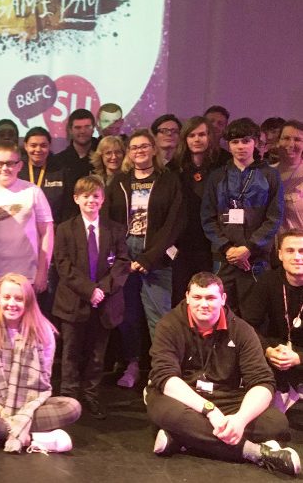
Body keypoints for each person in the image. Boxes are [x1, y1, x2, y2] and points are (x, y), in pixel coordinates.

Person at [146, 272, 300, 477]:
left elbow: (263, 382)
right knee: (165, 411)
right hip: (184, 399)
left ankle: (183, 438)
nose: (203, 304)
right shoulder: (170, 325)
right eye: (197, 297)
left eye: (210, 298)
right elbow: (166, 378)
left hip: (226, 398)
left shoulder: (242, 330)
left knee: (276, 422)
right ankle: (256, 453)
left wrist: (240, 420)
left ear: (223, 299)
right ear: (187, 297)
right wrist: (210, 411)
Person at [0, 273, 81, 453]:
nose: (12, 303)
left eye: (19, 299)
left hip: (29, 405)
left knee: (72, 407)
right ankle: (32, 437)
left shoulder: (43, 331)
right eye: (7, 297)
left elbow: (44, 381)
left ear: (28, 302)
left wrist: (24, 410)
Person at [104, 129, 184, 388]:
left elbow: (175, 223)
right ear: (129, 153)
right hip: (125, 255)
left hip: (157, 258)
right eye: (134, 147)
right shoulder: (118, 182)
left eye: (144, 146)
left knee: (159, 317)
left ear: (153, 150)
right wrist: (122, 256)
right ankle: (133, 365)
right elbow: (109, 221)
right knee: (127, 316)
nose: (139, 151)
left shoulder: (169, 180)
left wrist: (149, 258)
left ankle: (163, 372)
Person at [54, 175, 130, 419]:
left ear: (103, 199)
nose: (91, 200)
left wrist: (102, 290)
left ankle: (91, 396)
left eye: (96, 196)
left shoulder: (115, 229)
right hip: (73, 302)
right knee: (71, 353)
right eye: (85, 196)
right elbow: (63, 265)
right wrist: (89, 290)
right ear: (76, 199)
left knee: (98, 355)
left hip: (105, 303)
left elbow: (122, 262)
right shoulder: (65, 229)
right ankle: (68, 398)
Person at [201, 118, 283, 315]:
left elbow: (274, 217)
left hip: (255, 259)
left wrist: (248, 248)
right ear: (228, 145)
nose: (240, 146)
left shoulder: (270, 175)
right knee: (221, 314)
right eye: (235, 142)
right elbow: (207, 218)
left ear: (255, 142)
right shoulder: (217, 176)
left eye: (245, 141)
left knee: (255, 315)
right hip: (223, 257)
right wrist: (228, 248)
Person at [0, 143, 54, 321]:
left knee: (27, 334)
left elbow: (47, 232)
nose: (5, 168)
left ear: (20, 165)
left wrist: (42, 271)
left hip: (27, 277)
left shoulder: (33, 191)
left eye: (10, 163)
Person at [245, 229, 303, 412]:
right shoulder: (268, 282)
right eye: (290, 250)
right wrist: (268, 350)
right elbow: (248, 325)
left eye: (302, 251)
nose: (297, 257)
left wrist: (299, 358)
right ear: (280, 254)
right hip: (275, 353)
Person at [169, 116, 222, 305]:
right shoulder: (173, 168)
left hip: (214, 244)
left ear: (210, 137)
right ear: (185, 139)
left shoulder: (223, 165)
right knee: (182, 298)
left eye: (202, 134)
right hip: (183, 245)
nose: (197, 139)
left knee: (210, 296)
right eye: (192, 135)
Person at [17, 126, 65, 314]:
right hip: (23, 244)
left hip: (51, 243)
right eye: (33, 145)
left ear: (50, 146)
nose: (38, 150)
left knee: (47, 296)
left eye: (43, 145)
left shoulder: (60, 171)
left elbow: (68, 210)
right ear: (25, 146)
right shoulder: (18, 172)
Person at [53, 109, 97, 222]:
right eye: (78, 127)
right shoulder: (58, 161)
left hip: (99, 220)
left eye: (87, 127)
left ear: (94, 128)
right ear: (70, 130)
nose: (83, 131)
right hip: (68, 223)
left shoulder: (102, 156)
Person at [273, 120, 303, 233]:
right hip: (271, 246)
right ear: (278, 141)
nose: (291, 144)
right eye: (286, 138)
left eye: (297, 139)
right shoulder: (266, 173)